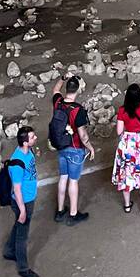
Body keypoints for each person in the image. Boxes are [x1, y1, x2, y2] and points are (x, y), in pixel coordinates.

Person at [50, 75, 93, 225]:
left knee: (63, 177)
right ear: (78, 90)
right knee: (73, 181)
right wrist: (90, 148)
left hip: (61, 147)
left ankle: (60, 211)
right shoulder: (78, 110)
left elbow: (55, 89)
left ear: (67, 89)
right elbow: (83, 135)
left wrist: (63, 78)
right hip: (75, 149)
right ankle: (73, 214)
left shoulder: (58, 102)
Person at [112, 83, 140, 216]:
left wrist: (126, 134)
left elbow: (119, 131)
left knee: (127, 175)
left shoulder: (122, 110)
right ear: (139, 96)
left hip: (127, 144)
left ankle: (127, 206)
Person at [3, 126, 39, 277]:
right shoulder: (16, 164)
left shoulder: (27, 151)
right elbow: (17, 190)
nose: (35, 138)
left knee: (19, 226)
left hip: (29, 197)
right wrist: (22, 210)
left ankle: (9, 251)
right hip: (23, 201)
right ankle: (23, 268)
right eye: (32, 137)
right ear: (25, 142)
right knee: (22, 235)